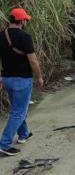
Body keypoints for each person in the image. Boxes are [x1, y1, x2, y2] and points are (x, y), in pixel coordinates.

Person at [0, 8, 44, 156]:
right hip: (22, 80)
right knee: (18, 111)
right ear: (22, 21)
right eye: (25, 20)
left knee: (18, 108)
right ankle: (4, 144)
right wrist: (39, 77)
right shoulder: (25, 37)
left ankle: (24, 134)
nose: (26, 22)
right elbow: (33, 61)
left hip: (6, 79)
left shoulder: (1, 35)